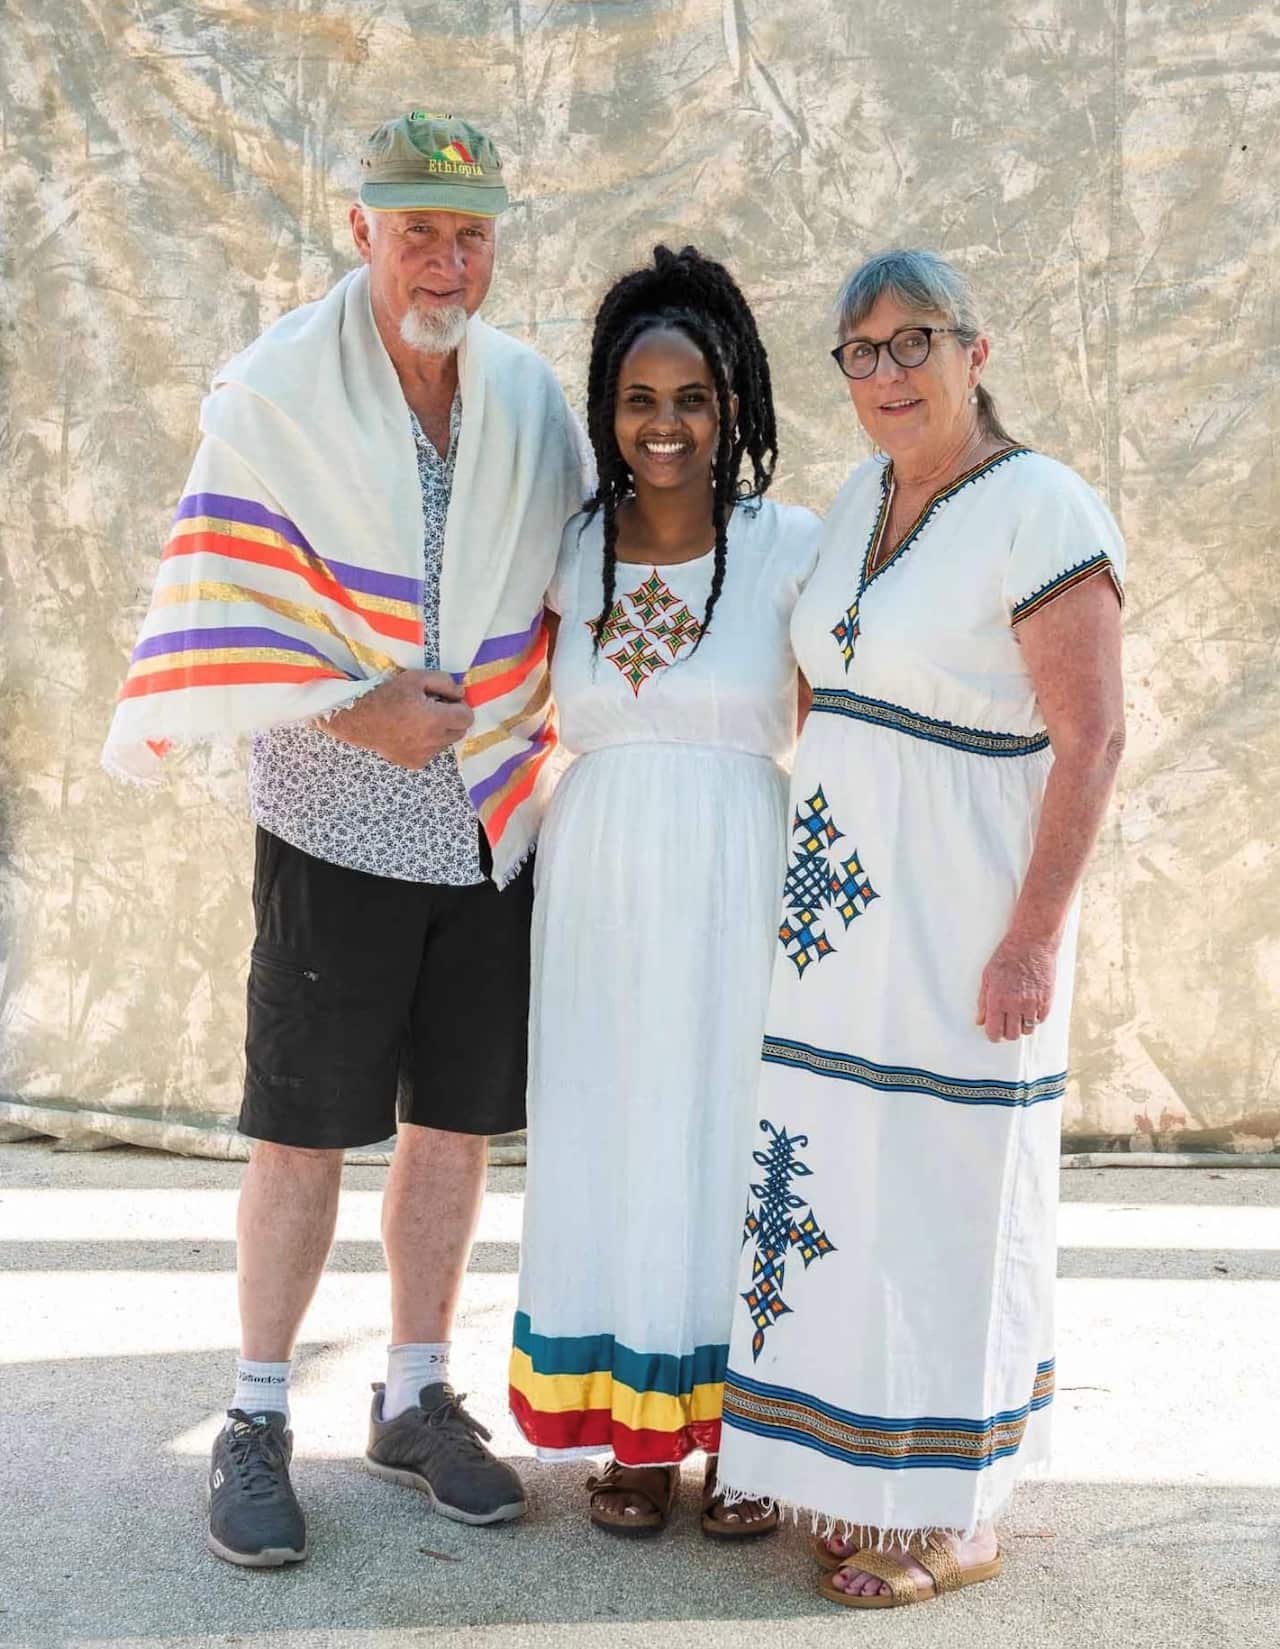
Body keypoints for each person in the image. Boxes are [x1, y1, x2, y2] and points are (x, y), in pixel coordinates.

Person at [103, 112, 590, 1566]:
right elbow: (225, 589)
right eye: (418, 225)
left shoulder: (522, 394)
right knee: (303, 1131)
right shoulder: (277, 391)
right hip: (334, 813)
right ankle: (257, 1414)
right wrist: (344, 707)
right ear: (360, 226)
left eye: (472, 230)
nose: (446, 256)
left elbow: (577, 569)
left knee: (452, 1127)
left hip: (492, 812)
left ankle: (415, 1391)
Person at [713, 249, 1126, 1607]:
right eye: (863, 351)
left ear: (975, 349)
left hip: (964, 926)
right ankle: (853, 1470)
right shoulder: (857, 501)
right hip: (837, 940)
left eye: (914, 342)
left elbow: (1094, 736)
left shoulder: (1041, 507)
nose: (887, 372)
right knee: (840, 1188)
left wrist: (1033, 936)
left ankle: (961, 1510)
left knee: (953, 1196)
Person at [508, 245, 821, 1537]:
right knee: (615, 1124)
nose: (666, 422)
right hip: (601, 884)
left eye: (692, 396)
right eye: (640, 398)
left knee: (734, 1133)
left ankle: (753, 1429)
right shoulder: (566, 548)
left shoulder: (790, 547)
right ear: (608, 410)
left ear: (734, 403)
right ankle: (637, 1430)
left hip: (742, 870)